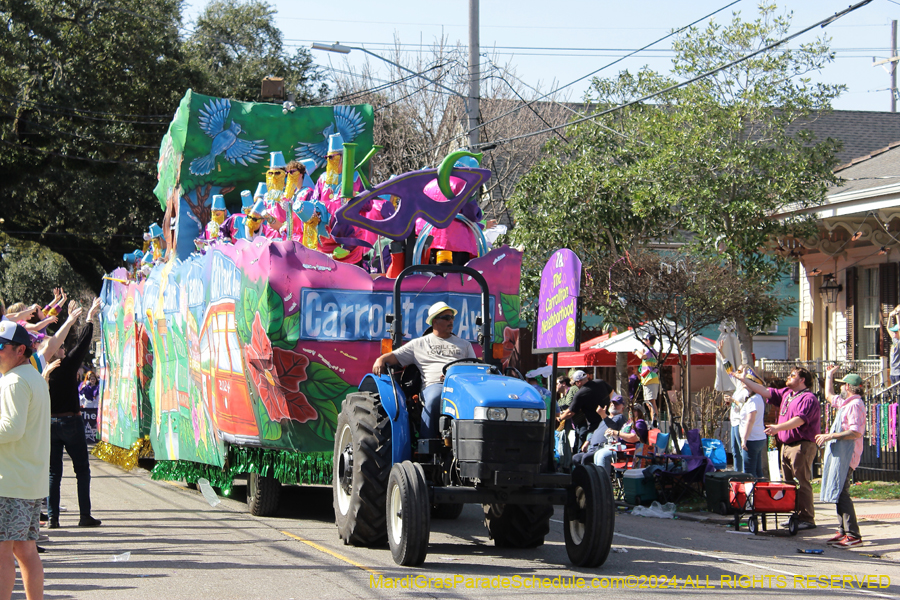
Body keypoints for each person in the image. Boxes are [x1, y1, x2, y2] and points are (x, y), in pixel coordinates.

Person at [0, 321, 50, 600]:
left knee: (4, 552)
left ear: (20, 350)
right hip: (28, 483)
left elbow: (11, 428)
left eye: (0, 346)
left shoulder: (14, 380)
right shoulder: (32, 377)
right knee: (25, 551)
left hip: (9, 483)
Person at [372, 302, 474, 439]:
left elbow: (474, 369)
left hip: (462, 385)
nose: (451, 321)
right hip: (435, 385)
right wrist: (381, 360)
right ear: (435, 321)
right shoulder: (419, 344)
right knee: (434, 399)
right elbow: (394, 356)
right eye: (446, 318)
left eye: (452, 318)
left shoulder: (465, 345)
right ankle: (427, 445)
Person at [738, 366, 820, 530]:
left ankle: (807, 518)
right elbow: (764, 391)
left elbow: (800, 420)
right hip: (787, 444)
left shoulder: (808, 398)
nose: (788, 377)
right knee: (789, 483)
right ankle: (795, 515)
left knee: (801, 481)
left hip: (801, 445)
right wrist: (743, 379)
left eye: (792, 375)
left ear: (802, 380)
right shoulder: (786, 394)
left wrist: (777, 428)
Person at [46, 298, 102, 529]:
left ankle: (53, 518)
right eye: (60, 346)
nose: (64, 348)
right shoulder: (66, 365)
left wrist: (71, 320)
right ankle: (84, 515)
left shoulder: (42, 368)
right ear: (56, 352)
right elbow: (83, 343)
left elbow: (71, 344)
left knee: (53, 473)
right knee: (81, 469)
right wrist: (89, 317)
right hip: (71, 421)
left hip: (49, 423)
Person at [817, 367, 866, 548]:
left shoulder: (854, 405)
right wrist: (829, 375)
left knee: (842, 493)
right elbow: (829, 396)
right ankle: (843, 530)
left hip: (848, 455)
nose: (840, 389)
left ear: (848, 386)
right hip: (841, 454)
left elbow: (855, 432)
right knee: (838, 492)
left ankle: (853, 534)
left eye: (843, 385)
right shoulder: (847, 403)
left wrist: (830, 436)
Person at [559, 370, 612, 453]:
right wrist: (608, 405)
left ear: (579, 382)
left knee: (589, 450)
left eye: (575, 383)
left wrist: (560, 418)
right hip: (609, 421)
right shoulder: (600, 382)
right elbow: (611, 392)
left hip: (595, 427)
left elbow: (570, 412)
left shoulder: (581, 394)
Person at [594, 404, 650, 475]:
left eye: (634, 410)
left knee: (602, 455)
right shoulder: (628, 423)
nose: (630, 412)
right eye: (629, 410)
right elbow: (621, 437)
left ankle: (604, 483)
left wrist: (617, 433)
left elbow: (634, 437)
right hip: (622, 447)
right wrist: (612, 433)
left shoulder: (639, 422)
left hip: (631, 449)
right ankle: (599, 482)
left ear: (639, 412)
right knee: (597, 454)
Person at [572, 396, 627, 465]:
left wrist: (603, 415)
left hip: (602, 448)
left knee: (586, 458)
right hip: (592, 448)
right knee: (576, 458)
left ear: (622, 408)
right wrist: (588, 441)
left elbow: (614, 427)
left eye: (616, 404)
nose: (613, 405)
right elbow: (596, 431)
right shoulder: (605, 419)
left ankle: (587, 476)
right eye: (612, 403)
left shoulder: (620, 417)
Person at [733, 366, 767, 478]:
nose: (743, 383)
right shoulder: (756, 398)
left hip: (752, 439)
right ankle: (759, 492)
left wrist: (744, 439)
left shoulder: (753, 400)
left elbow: (750, 420)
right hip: (757, 438)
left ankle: (751, 494)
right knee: (757, 470)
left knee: (749, 472)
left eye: (747, 382)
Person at [634, 334, 660, 426]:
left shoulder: (651, 350)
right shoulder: (649, 351)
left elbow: (642, 357)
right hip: (647, 379)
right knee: (649, 403)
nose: (643, 342)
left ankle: (654, 420)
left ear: (648, 341)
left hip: (651, 379)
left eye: (645, 340)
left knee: (652, 402)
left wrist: (636, 351)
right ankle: (653, 419)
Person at [887, 305, 900, 385]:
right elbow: (888, 328)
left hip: (898, 372)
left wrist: (897, 316)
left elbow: (899, 328)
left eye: (896, 332)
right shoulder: (894, 340)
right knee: (894, 393)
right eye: (894, 332)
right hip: (892, 372)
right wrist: (889, 317)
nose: (894, 333)